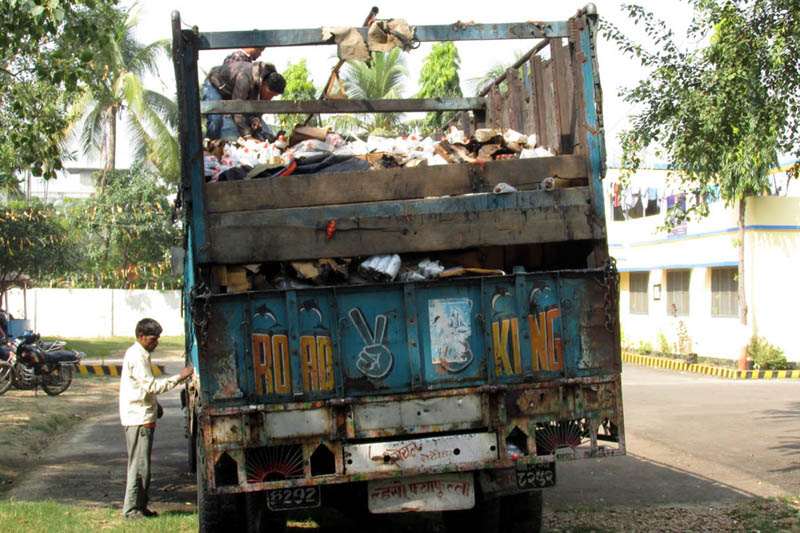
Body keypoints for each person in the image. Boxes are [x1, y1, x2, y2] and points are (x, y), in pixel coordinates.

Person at [119, 318, 193, 520]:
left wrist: (155, 405)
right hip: (137, 418)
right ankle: (131, 509)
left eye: (158, 339)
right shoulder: (136, 356)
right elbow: (151, 386)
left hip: (143, 414)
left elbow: (142, 388)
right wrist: (180, 376)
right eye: (153, 339)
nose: (156, 343)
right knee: (138, 466)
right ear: (141, 336)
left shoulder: (142, 354)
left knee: (144, 466)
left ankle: (141, 506)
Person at [202, 60, 286, 141]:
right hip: (214, 83)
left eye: (273, 96)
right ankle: (210, 147)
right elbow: (236, 108)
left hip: (231, 90)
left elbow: (255, 104)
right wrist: (247, 136)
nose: (270, 98)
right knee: (216, 119)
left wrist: (255, 118)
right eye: (270, 94)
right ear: (264, 84)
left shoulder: (260, 80)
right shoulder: (245, 79)